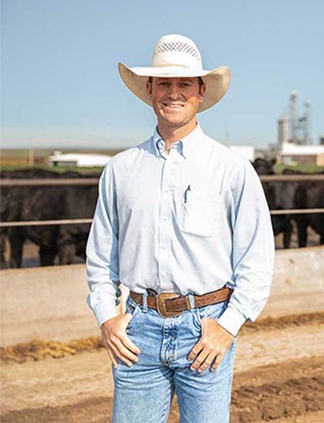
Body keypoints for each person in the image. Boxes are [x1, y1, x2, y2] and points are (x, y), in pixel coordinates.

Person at [87, 34, 274, 422]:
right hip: (137, 331)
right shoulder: (121, 170)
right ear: (150, 90)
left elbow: (257, 259)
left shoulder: (232, 169)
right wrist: (107, 315)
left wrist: (228, 326)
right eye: (165, 84)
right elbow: (101, 256)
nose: (174, 93)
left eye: (184, 84)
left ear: (201, 91)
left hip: (204, 328)